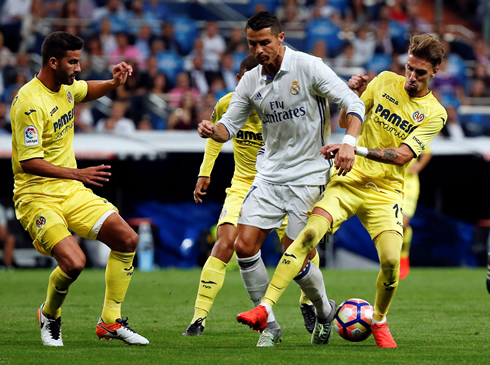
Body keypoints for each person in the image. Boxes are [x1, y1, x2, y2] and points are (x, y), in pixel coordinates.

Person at [235, 33, 447, 349]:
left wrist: (355, 150)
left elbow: (402, 155)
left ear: (435, 72)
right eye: (409, 68)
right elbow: (349, 120)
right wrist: (354, 96)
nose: (411, 78)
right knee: (307, 236)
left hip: (385, 191)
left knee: (390, 261)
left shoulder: (435, 113)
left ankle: (379, 320)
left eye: (420, 73)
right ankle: (265, 307)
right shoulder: (385, 80)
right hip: (347, 180)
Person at [198, 11, 365, 345]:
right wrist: (211, 130)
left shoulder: (308, 66)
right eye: (252, 44)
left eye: (265, 42)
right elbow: (227, 127)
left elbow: (353, 101)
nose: (259, 49)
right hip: (269, 175)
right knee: (243, 247)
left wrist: (349, 143)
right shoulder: (250, 80)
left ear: (280, 38)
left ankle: (323, 309)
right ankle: (269, 325)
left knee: (295, 254)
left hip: (309, 174)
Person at [10, 31, 148, 346]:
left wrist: (113, 84)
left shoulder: (66, 86)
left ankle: (110, 322)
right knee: (74, 263)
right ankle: (49, 315)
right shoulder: (29, 102)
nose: (78, 69)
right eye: (73, 62)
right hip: (37, 196)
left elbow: (86, 90)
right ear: (53, 62)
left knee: (127, 239)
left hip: (70, 191)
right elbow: (29, 162)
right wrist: (77, 173)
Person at [184, 55, 320, 347]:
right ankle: (199, 318)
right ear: (240, 80)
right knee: (226, 242)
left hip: (284, 183)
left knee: (300, 250)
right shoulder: (227, 104)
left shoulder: (284, 106)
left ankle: (309, 302)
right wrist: (204, 172)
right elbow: (217, 134)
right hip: (243, 183)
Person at [399, 148, 432, 280]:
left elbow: (428, 152)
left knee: (402, 225)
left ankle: (403, 255)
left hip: (409, 185)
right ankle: (391, 259)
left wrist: (418, 165)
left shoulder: (414, 128)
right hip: (389, 182)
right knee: (391, 225)